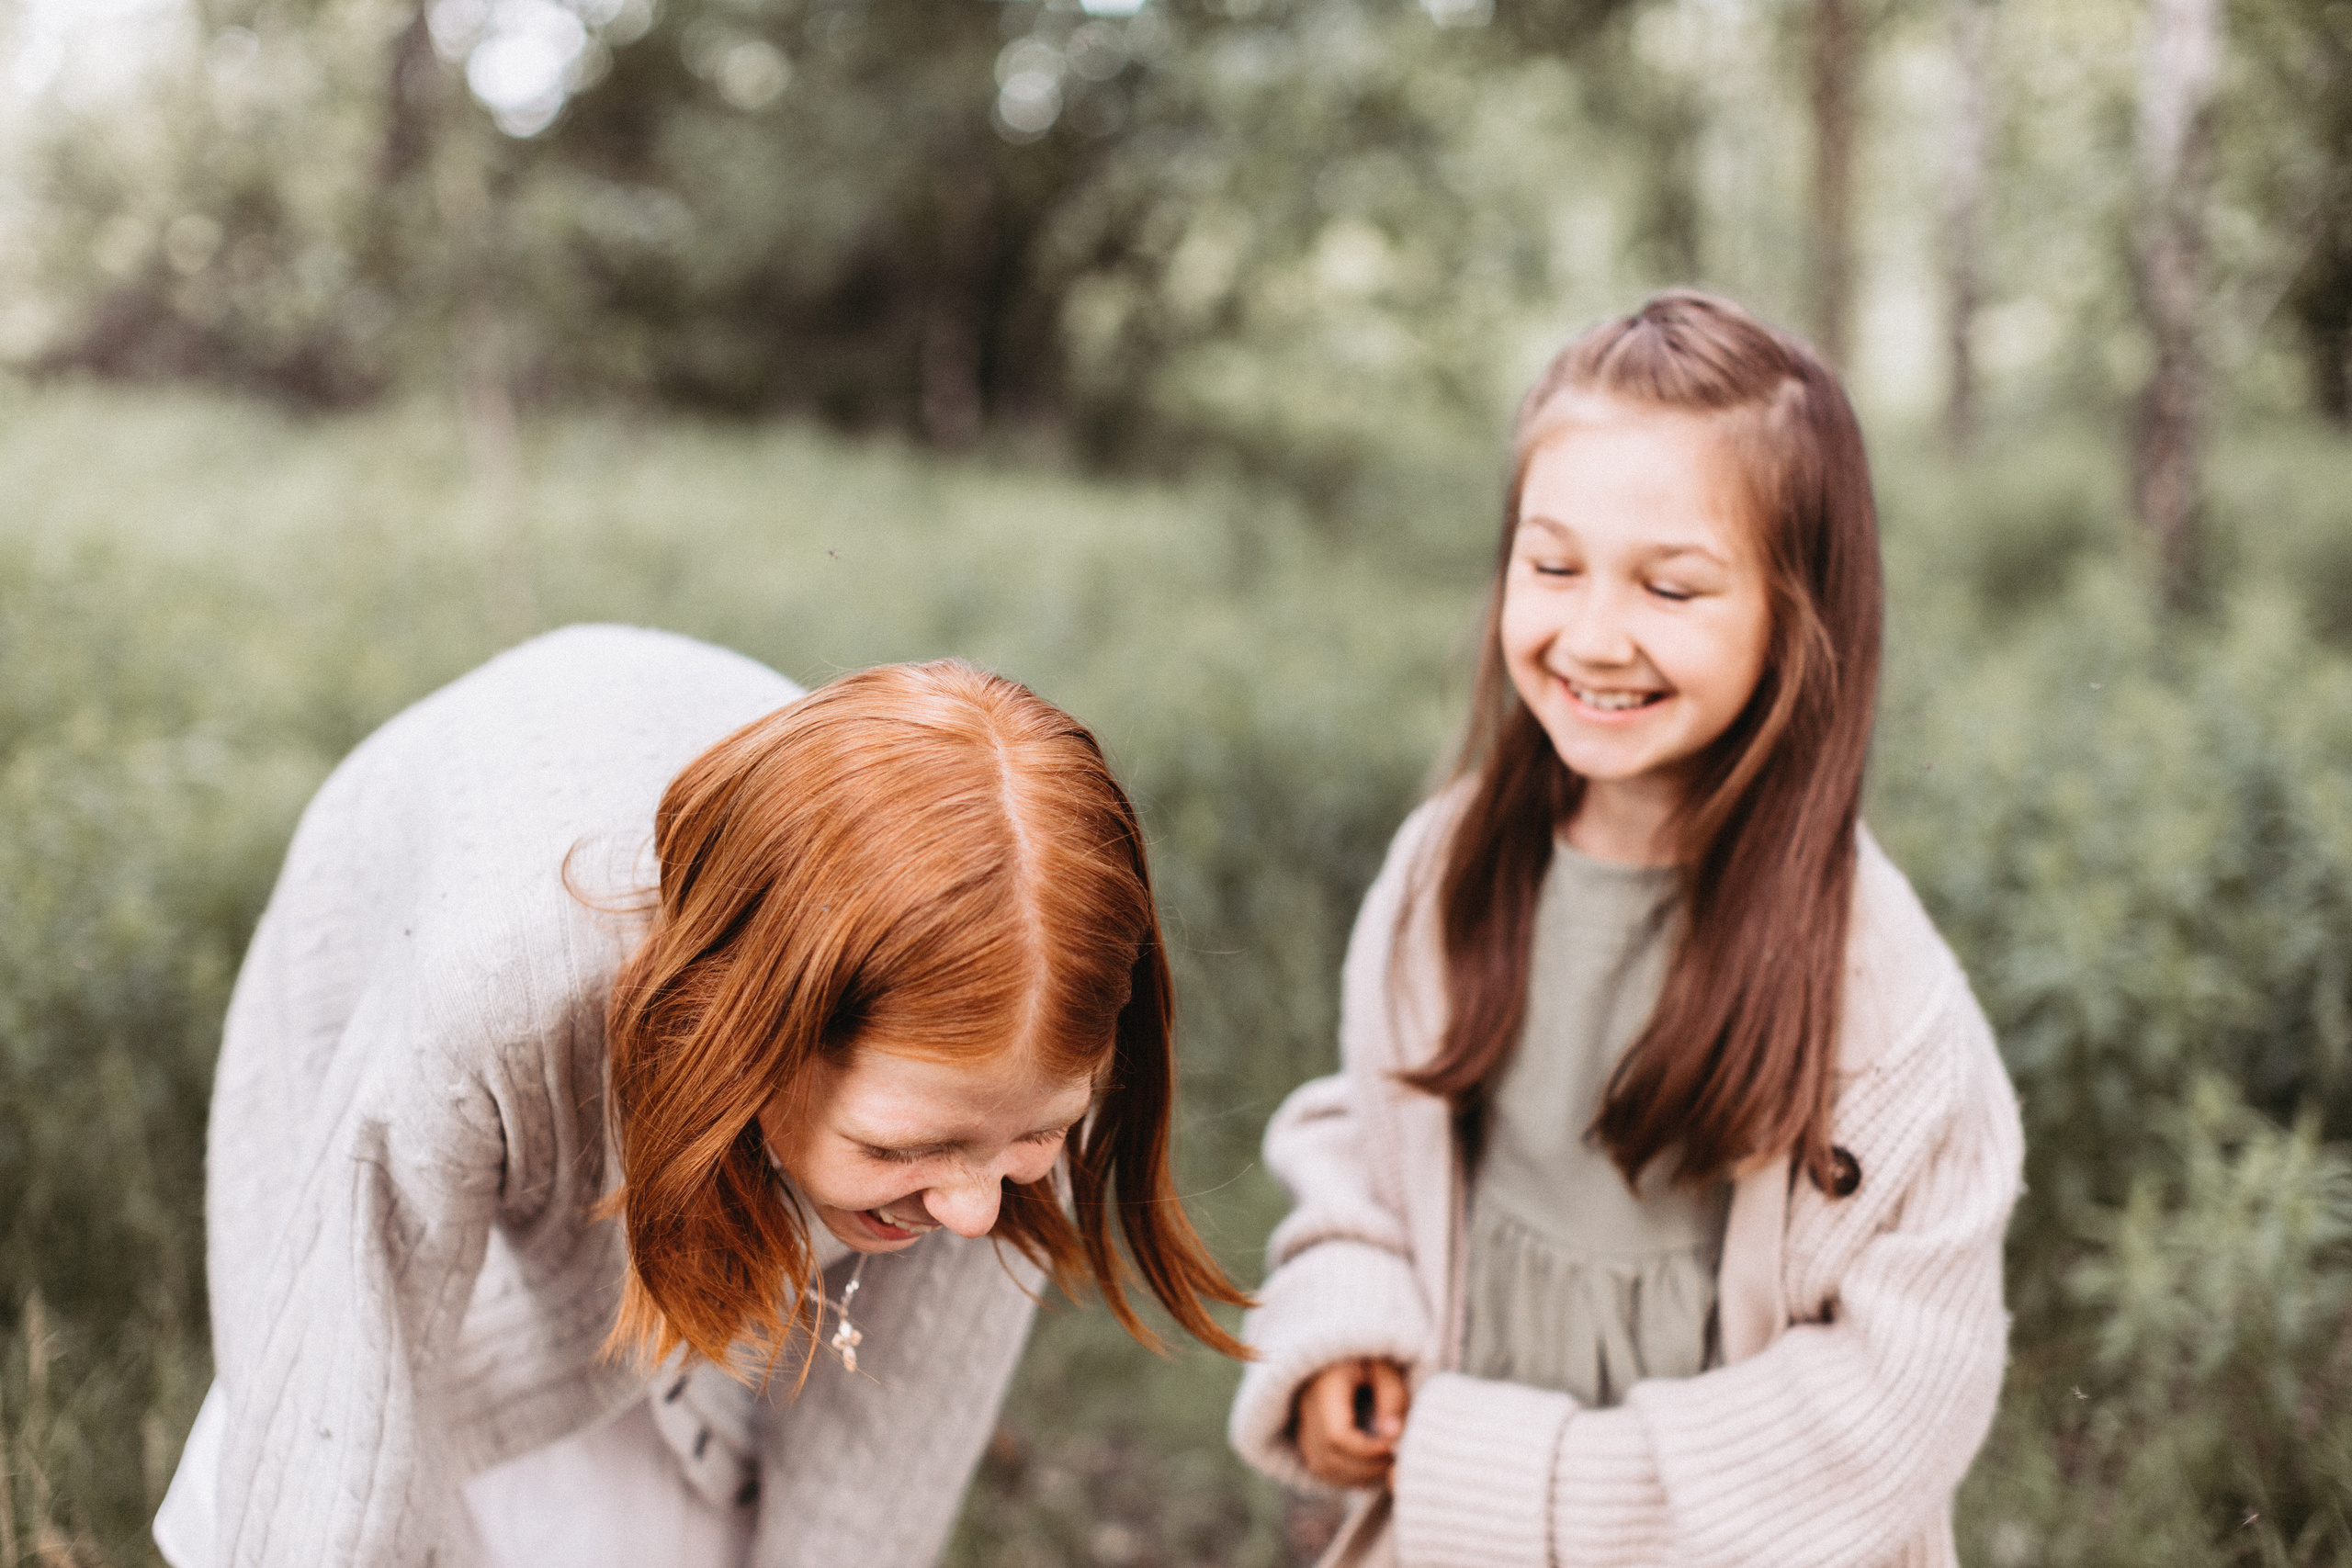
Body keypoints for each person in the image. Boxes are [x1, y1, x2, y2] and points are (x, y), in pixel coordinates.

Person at [154, 624, 1249, 1568]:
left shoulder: (1029, 1034)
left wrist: (976, 1145)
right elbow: (339, 1419)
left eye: (1036, 1138)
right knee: (325, 1452)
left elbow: (881, 1466)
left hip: (693, 1112)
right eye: (905, 1149)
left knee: (670, 1490)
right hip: (422, 958)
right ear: (755, 1042)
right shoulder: (485, 1001)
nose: (973, 1209)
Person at [1227, 292, 2023, 1567]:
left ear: (1796, 616)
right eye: (1551, 565)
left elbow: (1894, 1401)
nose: (1592, 634)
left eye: (1671, 584)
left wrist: (1506, 1475)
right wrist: (1350, 1316)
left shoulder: (1880, 990)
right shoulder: (1451, 865)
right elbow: (1375, 1134)